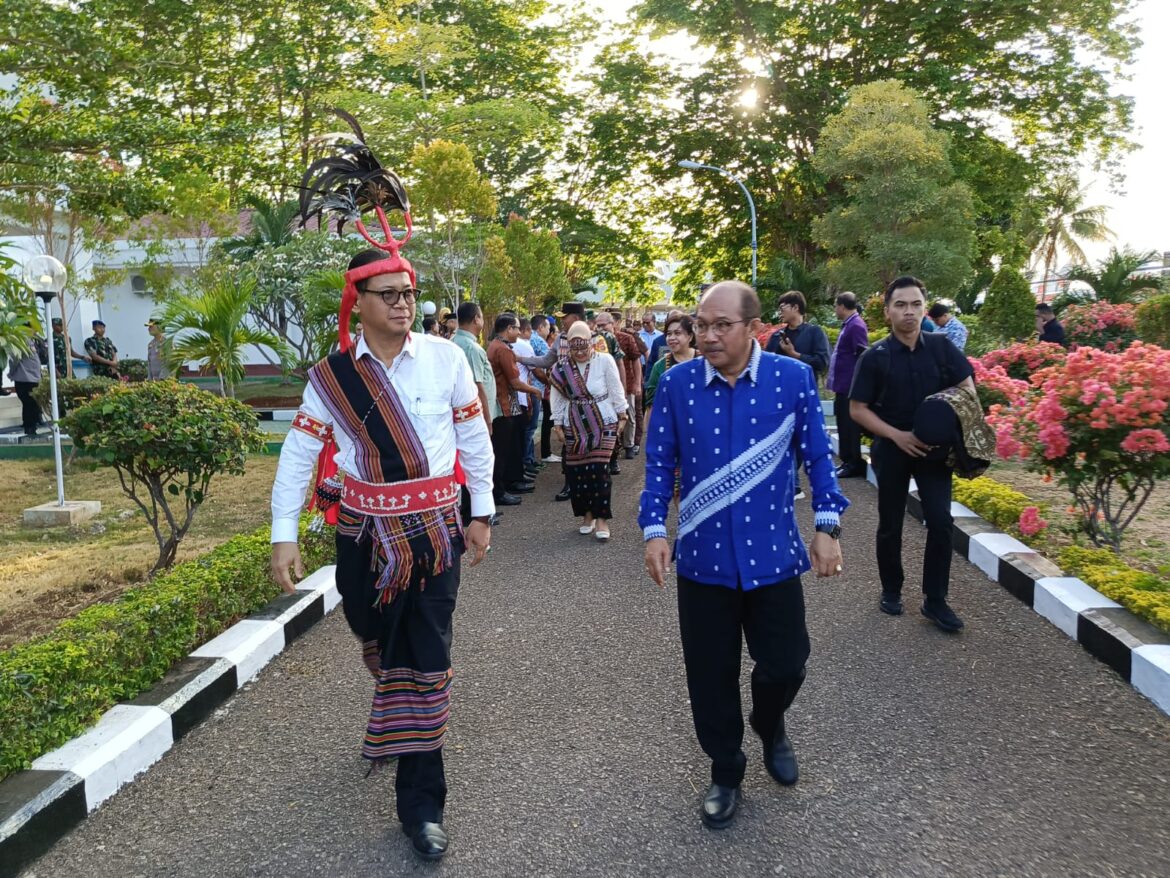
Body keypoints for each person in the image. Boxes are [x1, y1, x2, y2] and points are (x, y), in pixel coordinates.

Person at [641, 281, 847, 830]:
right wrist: (653, 529)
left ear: (754, 328)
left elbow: (819, 458)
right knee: (710, 676)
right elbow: (659, 463)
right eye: (701, 325)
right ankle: (726, 769)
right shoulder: (678, 384)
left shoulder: (792, 379)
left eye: (719, 326)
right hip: (704, 562)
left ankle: (770, 721)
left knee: (786, 663)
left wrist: (828, 524)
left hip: (773, 558)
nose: (706, 336)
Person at [849, 275, 976, 633]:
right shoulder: (875, 357)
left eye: (916, 304)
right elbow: (858, 408)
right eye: (901, 305)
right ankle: (891, 589)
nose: (909, 312)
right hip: (892, 449)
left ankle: (936, 600)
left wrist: (955, 414)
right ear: (888, 311)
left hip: (935, 453)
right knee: (890, 524)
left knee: (940, 521)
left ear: (925, 307)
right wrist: (896, 435)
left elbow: (967, 389)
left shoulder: (941, 348)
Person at [549, 321, 627, 541]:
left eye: (584, 348)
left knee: (600, 471)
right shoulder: (561, 368)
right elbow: (558, 398)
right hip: (575, 423)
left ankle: (602, 519)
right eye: (575, 349)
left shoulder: (605, 361)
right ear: (569, 347)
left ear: (591, 343)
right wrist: (557, 423)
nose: (581, 353)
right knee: (578, 473)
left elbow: (615, 388)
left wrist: (622, 414)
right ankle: (587, 514)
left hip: (604, 421)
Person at [766, 290, 830, 500]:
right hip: (779, 395)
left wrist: (795, 355)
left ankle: (794, 476)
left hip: (807, 394)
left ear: (795, 307)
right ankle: (791, 484)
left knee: (805, 440)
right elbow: (767, 364)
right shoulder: (777, 336)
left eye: (783, 307)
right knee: (786, 437)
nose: (780, 312)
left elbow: (822, 362)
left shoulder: (814, 332)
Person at [487, 313, 542, 504]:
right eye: (517, 328)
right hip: (504, 404)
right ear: (508, 329)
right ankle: (500, 491)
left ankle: (508, 483)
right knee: (502, 450)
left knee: (508, 448)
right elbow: (515, 382)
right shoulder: (503, 349)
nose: (519, 331)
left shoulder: (496, 345)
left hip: (503, 403)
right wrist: (535, 390)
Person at [827, 293, 869, 478]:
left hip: (849, 386)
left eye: (836, 305)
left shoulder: (856, 325)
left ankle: (853, 463)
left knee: (849, 425)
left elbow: (862, 354)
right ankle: (847, 461)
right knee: (843, 423)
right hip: (842, 385)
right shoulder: (849, 324)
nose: (835, 310)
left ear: (842, 306)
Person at [594, 310, 634, 473]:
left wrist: (622, 389)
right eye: (598, 325)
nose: (601, 328)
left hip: (612, 388)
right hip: (597, 390)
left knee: (616, 422)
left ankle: (613, 459)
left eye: (604, 325)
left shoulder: (615, 339)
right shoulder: (593, 339)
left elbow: (621, 365)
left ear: (613, 324)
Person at [643, 313, 698, 411]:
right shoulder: (660, 366)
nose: (672, 338)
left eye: (677, 333)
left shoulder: (704, 362)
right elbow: (651, 406)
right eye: (669, 334)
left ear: (690, 336)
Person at [513, 318, 545, 474]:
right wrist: (550, 383)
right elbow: (536, 371)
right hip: (525, 393)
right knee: (529, 429)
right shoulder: (524, 346)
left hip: (516, 395)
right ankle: (527, 462)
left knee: (521, 431)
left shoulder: (498, 344)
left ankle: (527, 460)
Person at [531, 315, 559, 464]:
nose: (549, 331)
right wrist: (549, 382)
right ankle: (544, 454)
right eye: (548, 327)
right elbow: (548, 362)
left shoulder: (531, 339)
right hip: (538, 387)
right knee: (542, 422)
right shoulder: (538, 341)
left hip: (534, 387)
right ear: (540, 327)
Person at [7, 331, 43, 437]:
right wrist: (11, 373)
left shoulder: (31, 341)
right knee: (29, 404)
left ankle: (31, 427)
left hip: (33, 378)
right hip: (24, 379)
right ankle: (29, 428)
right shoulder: (20, 341)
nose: (35, 331)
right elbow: (15, 359)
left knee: (31, 404)